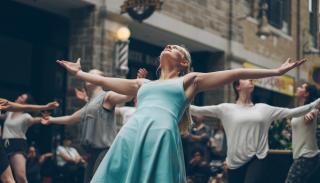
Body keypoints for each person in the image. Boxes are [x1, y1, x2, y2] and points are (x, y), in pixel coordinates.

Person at [57, 44, 306, 183]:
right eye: (169, 46)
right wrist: (79, 73)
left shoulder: (189, 81)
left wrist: (275, 72)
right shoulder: (144, 85)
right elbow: (110, 82)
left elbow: (236, 73)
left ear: (184, 63)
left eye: (176, 48)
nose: (169, 46)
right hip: (131, 136)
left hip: (161, 137)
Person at [190, 79, 320, 183]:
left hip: (257, 157)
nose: (251, 79)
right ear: (238, 86)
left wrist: (315, 104)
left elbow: (293, 112)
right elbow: (196, 110)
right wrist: (180, 97)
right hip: (234, 162)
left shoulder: (263, 109)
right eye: (246, 78)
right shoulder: (225, 109)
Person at [41, 69, 134, 183]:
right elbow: (71, 119)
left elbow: (126, 97)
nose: (89, 76)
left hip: (104, 151)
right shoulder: (89, 105)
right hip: (92, 153)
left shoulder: (107, 96)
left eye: (92, 75)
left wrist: (137, 83)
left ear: (100, 80)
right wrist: (51, 119)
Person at [0, 94, 59, 183]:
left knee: (19, 177)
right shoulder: (9, 113)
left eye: (22, 98)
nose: (19, 97)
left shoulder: (25, 116)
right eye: (20, 96)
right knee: (7, 178)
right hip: (5, 143)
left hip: (17, 144)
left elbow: (32, 118)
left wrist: (45, 110)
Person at [285, 83, 320, 183]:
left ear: (306, 94)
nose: (297, 88)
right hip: (299, 154)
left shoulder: (312, 109)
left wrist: (311, 114)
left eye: (301, 87)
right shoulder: (298, 110)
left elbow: (313, 113)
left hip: (307, 155)